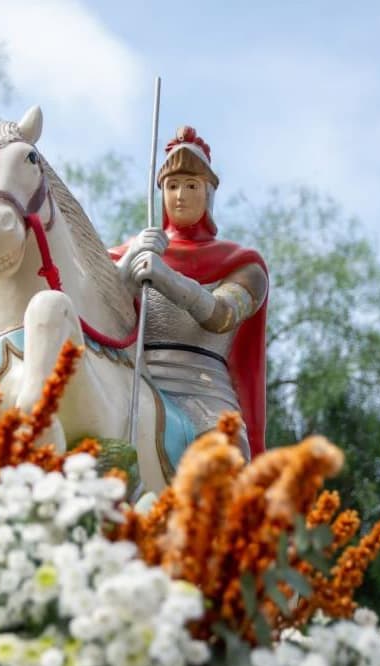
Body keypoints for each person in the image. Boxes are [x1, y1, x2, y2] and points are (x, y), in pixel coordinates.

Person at [110, 125, 268, 461]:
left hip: (204, 392)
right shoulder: (131, 252)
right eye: (172, 185)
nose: (180, 195)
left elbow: (222, 315)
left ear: (208, 193)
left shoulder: (245, 266)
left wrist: (167, 278)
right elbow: (98, 306)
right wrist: (127, 264)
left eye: (191, 185)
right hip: (134, 382)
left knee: (226, 457)